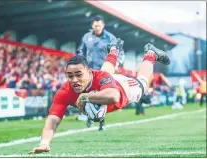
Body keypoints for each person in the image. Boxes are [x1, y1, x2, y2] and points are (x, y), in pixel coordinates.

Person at [28, 39, 170, 154]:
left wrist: (85, 97)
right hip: (103, 83)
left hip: (123, 89)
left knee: (143, 85)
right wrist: (44, 143)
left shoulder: (99, 77)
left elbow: (114, 96)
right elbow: (52, 120)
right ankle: (114, 50)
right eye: (70, 76)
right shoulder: (64, 91)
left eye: (78, 75)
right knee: (105, 71)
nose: (74, 80)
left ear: (89, 72)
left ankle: (151, 53)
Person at [77, 15, 124, 130]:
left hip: (104, 72)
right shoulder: (87, 37)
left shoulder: (110, 38)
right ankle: (89, 118)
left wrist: (117, 63)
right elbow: (80, 50)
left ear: (103, 25)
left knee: (102, 97)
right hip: (89, 72)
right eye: (95, 25)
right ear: (92, 25)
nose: (97, 27)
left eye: (99, 25)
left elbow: (120, 51)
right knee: (89, 95)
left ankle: (102, 122)